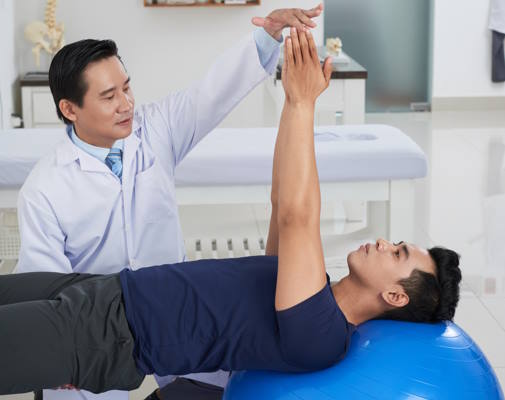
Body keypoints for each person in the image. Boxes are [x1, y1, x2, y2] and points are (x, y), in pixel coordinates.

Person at [0, 28, 462, 396]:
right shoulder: (311, 290)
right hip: (104, 289)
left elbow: (297, 217)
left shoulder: (320, 333)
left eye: (398, 253)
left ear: (397, 297)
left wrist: (304, 103)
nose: (386, 242)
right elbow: (283, 199)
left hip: (107, 333)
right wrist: (291, 103)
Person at [14, 5, 324, 400]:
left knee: (218, 386)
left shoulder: (154, 129)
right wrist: (59, 354)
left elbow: (210, 93)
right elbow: (45, 282)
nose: (126, 104)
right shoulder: (45, 188)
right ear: (69, 109)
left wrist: (270, 35)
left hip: (173, 308)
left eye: (127, 87)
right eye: (109, 96)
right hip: (94, 326)